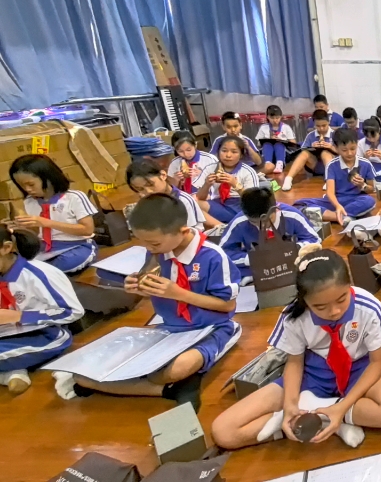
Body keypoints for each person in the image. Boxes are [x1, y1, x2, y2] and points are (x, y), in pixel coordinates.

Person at [210, 247, 381, 450]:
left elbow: (378, 363)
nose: (334, 311)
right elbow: (295, 362)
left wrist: (341, 407)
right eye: (320, 307)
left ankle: (318, 414)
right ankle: (321, 419)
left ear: (350, 284)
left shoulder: (368, 307)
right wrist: (290, 405)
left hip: (358, 370)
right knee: (224, 432)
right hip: (312, 376)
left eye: (342, 299)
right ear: (304, 300)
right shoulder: (294, 316)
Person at [54, 194, 241, 410]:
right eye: (142, 241)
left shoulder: (212, 256)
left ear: (182, 231)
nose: (149, 248)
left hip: (209, 328)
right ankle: (167, 390)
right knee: (81, 375)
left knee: (176, 369)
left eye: (153, 243)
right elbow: (149, 284)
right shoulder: (158, 250)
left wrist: (179, 293)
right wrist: (137, 287)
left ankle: (141, 384)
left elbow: (228, 305)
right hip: (167, 329)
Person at [0, 227, 83, 395]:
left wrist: (21, 316)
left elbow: (72, 311)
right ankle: (12, 372)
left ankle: (11, 371)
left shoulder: (39, 273)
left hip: (45, 336)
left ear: (6, 248)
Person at [10, 155, 97, 274]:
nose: (27, 189)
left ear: (49, 178)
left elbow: (87, 229)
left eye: (31, 184)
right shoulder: (29, 202)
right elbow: (35, 233)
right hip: (43, 249)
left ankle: (45, 271)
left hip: (76, 246)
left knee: (64, 263)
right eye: (21, 186)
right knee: (15, 265)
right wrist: (18, 228)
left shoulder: (74, 197)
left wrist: (47, 223)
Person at [220, 188, 320, 282]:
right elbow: (223, 252)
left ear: (276, 209)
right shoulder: (239, 222)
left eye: (268, 220)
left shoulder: (291, 215)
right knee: (229, 269)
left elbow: (314, 239)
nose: (263, 225)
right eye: (254, 222)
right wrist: (250, 259)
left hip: (290, 262)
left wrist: (294, 249)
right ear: (246, 216)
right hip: (259, 266)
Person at [294, 129, 377, 224]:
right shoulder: (332, 165)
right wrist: (337, 206)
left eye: (353, 149)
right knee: (299, 203)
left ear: (357, 145)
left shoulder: (365, 164)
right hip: (335, 200)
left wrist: (362, 185)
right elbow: (330, 193)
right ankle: (345, 217)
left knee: (369, 201)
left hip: (356, 199)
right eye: (344, 150)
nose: (349, 153)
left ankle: (335, 216)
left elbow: (371, 189)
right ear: (336, 148)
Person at [127, 159, 216, 230]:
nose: (148, 192)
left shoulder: (183, 200)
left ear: (163, 175)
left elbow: (194, 231)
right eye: (140, 189)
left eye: (150, 185)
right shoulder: (146, 204)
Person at [196, 136, 260, 223]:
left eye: (234, 152)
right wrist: (207, 185)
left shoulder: (248, 171)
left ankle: (229, 224)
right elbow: (200, 197)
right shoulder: (210, 169)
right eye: (224, 151)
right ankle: (220, 227)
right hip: (218, 205)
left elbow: (253, 200)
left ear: (241, 155)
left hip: (241, 206)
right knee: (195, 204)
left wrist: (235, 184)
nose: (228, 155)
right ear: (218, 152)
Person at [281, 110, 338, 192]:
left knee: (325, 153)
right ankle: (288, 179)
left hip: (331, 165)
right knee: (304, 153)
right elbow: (301, 151)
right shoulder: (311, 135)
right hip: (315, 165)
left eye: (324, 125)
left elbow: (343, 153)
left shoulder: (335, 134)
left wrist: (331, 147)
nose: (321, 128)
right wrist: (311, 147)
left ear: (328, 122)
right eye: (318, 126)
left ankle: (330, 180)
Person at [167, 131, 218, 195]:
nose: (186, 154)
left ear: (195, 145)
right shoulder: (174, 163)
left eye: (189, 150)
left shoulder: (210, 159)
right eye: (180, 151)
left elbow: (218, 184)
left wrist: (203, 175)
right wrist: (176, 181)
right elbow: (170, 189)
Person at [256, 105, 297, 175]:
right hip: (267, 153)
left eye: (277, 118)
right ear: (268, 117)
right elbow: (259, 144)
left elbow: (293, 143)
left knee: (279, 144)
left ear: (281, 117)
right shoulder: (263, 128)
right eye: (272, 118)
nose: (275, 120)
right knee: (267, 144)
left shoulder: (286, 127)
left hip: (284, 153)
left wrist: (282, 140)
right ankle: (268, 163)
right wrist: (269, 139)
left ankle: (280, 164)